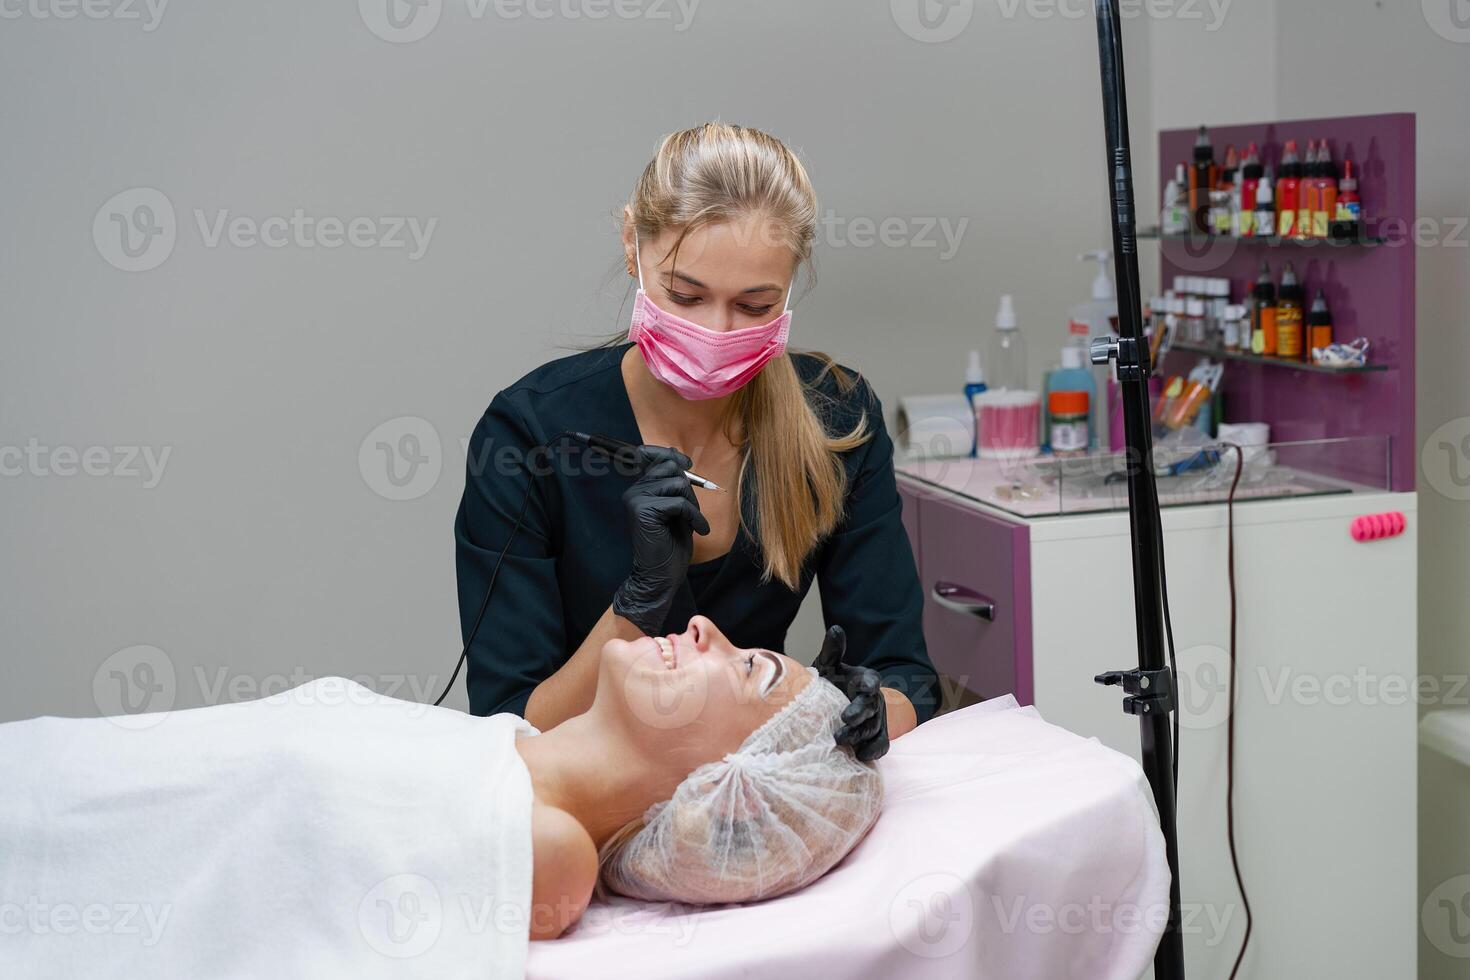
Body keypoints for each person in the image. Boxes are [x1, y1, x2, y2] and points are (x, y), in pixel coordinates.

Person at [0, 615, 880, 975]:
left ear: (732, 784)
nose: (706, 627)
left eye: (750, 667)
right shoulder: (507, 747)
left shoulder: (555, 853)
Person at [456, 122, 940, 759]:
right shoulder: (529, 438)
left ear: (791, 287)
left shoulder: (836, 423)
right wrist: (638, 602)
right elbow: (513, 727)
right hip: (597, 794)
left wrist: (871, 713)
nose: (716, 332)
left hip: (758, 783)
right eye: (685, 295)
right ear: (633, 246)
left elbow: (905, 675)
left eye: (755, 306)